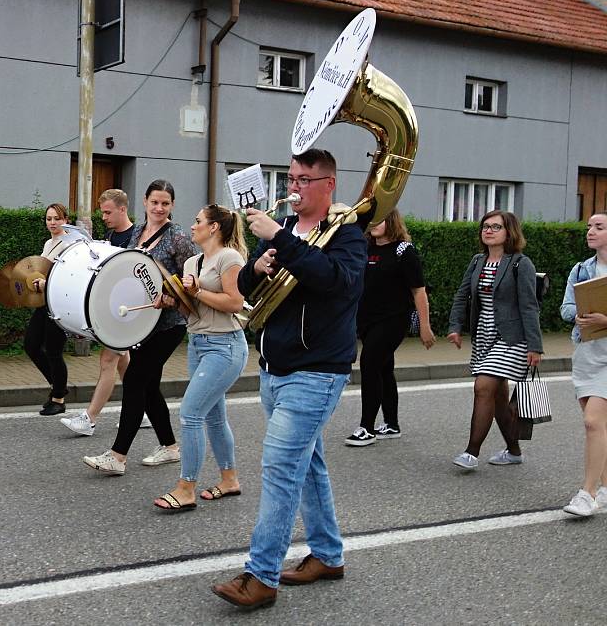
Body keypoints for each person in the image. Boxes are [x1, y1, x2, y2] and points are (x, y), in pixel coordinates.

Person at [211, 148, 367, 610]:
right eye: (291, 178)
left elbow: (338, 281)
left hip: (317, 371)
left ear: (328, 185)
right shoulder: (283, 235)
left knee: (281, 468)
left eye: (303, 180)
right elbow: (246, 293)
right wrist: (257, 267)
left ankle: (260, 576)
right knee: (309, 465)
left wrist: (282, 238)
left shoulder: (346, 233)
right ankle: (328, 555)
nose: (294, 188)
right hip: (275, 367)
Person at [82, 179, 197, 475]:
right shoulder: (136, 232)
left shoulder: (179, 238)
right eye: (154, 202)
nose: (159, 208)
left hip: (168, 326)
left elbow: (192, 281)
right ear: (144, 202)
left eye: (165, 203)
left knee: (134, 379)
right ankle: (170, 447)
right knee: (148, 387)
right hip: (140, 323)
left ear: (172, 206)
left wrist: (172, 297)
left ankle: (118, 456)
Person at [152, 204, 249, 512]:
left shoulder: (229, 258)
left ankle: (185, 488)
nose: (192, 226)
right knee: (213, 417)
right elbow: (191, 310)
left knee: (190, 413)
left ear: (214, 228)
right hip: (198, 343)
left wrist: (196, 293)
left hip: (225, 347)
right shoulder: (193, 261)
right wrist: (172, 300)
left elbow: (235, 302)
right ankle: (230, 479)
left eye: (198, 221)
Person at [447, 210, 543, 470]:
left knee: (483, 386)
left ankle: (471, 452)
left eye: (495, 227)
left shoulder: (521, 264)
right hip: (484, 334)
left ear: (509, 232)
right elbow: (462, 295)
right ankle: (514, 451)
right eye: (485, 226)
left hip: (512, 338)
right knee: (498, 398)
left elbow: (529, 306)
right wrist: (455, 327)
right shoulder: (478, 261)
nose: (488, 231)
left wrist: (535, 346)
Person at [60, 188, 151, 436]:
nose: (104, 217)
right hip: (114, 311)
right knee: (123, 362)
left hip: (128, 312)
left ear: (123, 209)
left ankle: (90, 418)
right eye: (103, 212)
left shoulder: (137, 236)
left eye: (108, 212)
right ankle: (140, 410)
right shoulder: (110, 235)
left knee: (108, 360)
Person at [345, 208, 435, 446]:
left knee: (370, 364)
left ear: (392, 221)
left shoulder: (404, 251)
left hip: (393, 320)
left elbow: (419, 291)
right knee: (384, 369)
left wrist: (425, 327)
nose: (374, 223)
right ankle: (392, 424)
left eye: (380, 219)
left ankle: (366, 427)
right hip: (367, 321)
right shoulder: (365, 248)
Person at [559, 211, 607, 516]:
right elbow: (565, 308)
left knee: (592, 422)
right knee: (600, 426)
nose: (590, 231)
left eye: (599, 227)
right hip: (588, 353)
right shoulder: (581, 269)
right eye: (589, 226)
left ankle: (587, 494)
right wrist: (578, 315)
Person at [25, 203, 71, 416]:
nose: (52, 222)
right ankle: (58, 386)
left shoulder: (69, 243)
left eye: (56, 218)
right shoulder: (48, 243)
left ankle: (58, 399)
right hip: (45, 301)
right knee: (31, 346)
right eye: (49, 219)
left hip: (60, 304)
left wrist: (47, 282)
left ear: (66, 220)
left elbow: (68, 275)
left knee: (53, 351)